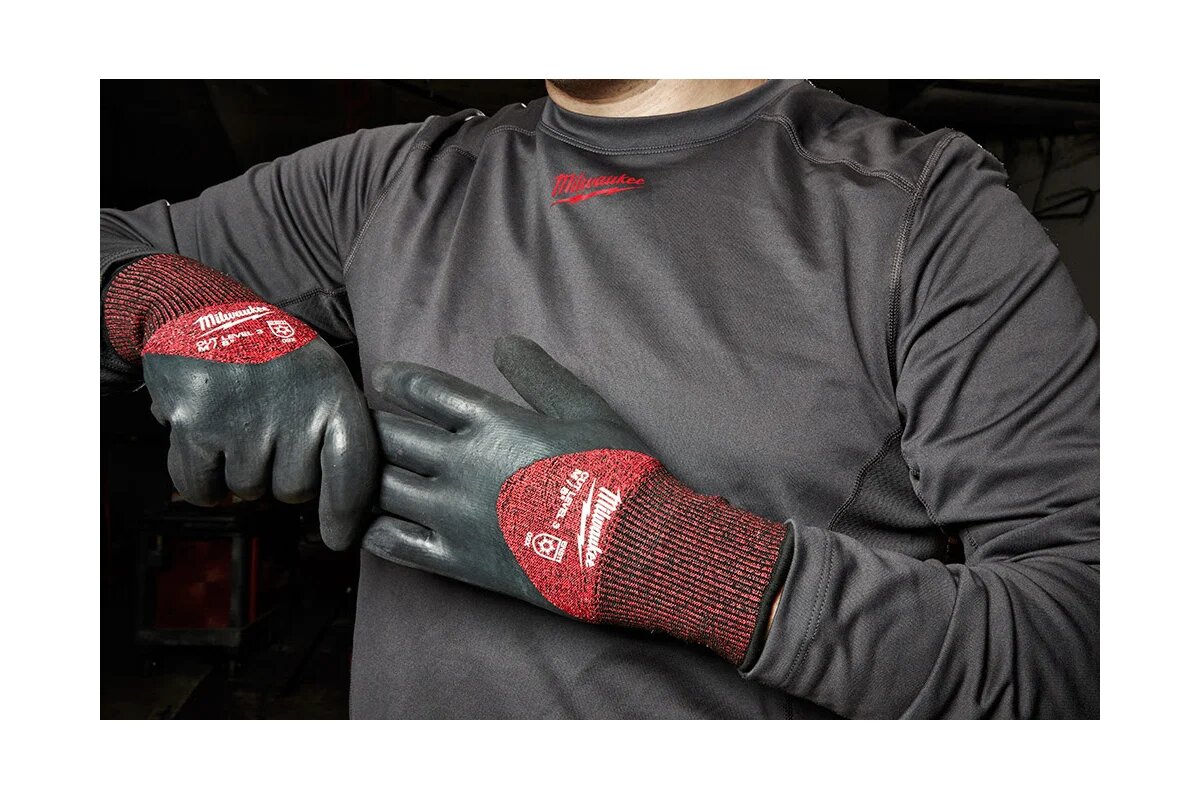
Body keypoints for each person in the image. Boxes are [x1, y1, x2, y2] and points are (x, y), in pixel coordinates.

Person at [100, 79, 1099, 719]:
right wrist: (169, 305)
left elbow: (1083, 643)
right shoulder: (390, 181)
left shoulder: (921, 207)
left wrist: (665, 556)